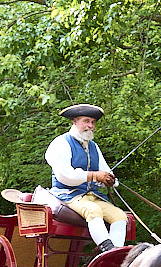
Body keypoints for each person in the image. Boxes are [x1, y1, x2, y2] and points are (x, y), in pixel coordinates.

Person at [44, 103, 127, 252]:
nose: (90, 126)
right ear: (75, 121)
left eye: (93, 122)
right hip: (67, 195)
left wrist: (109, 180)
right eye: (86, 121)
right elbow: (65, 175)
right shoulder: (61, 143)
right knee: (93, 210)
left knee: (120, 216)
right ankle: (106, 250)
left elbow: (105, 170)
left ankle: (117, 252)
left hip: (91, 195)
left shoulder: (93, 146)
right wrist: (95, 175)